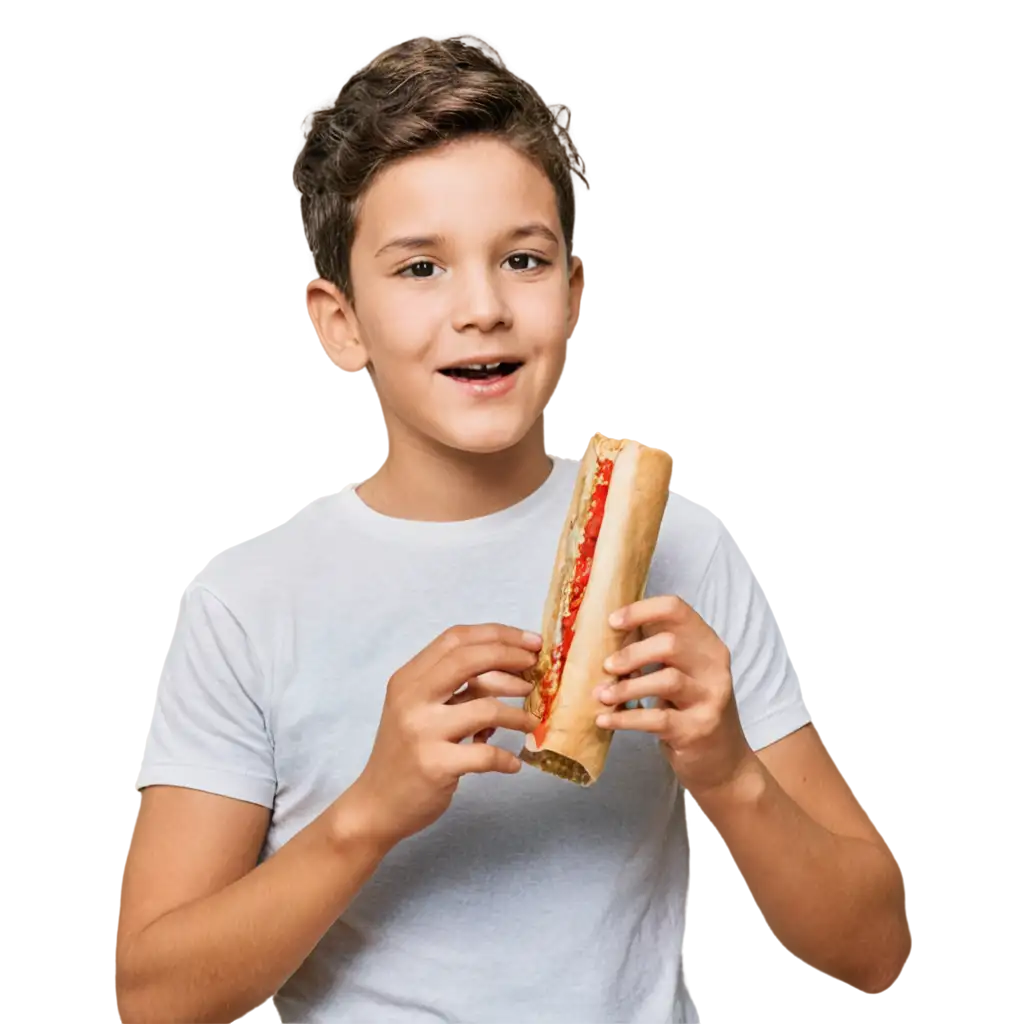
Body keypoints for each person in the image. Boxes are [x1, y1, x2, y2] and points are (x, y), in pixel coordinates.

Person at [114, 35, 906, 1024]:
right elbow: (153, 999)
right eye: (420, 269)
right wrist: (370, 809)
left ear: (571, 295)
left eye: (521, 259)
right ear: (339, 321)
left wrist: (730, 769)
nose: (482, 308)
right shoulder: (244, 601)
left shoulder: (683, 550)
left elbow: (867, 945)